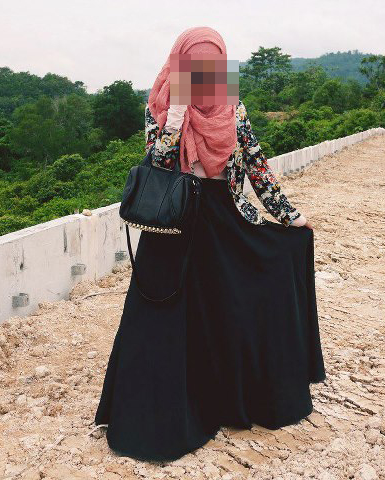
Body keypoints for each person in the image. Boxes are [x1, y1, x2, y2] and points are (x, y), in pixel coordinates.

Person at [93, 26, 326, 463]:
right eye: (194, 65)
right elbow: (157, 164)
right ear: (181, 65)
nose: (204, 73)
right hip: (174, 225)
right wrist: (176, 119)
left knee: (236, 304)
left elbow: (256, 165)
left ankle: (233, 400)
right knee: (164, 319)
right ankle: (163, 416)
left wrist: (289, 216)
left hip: (226, 220)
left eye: (212, 66)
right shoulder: (161, 104)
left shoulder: (233, 107)